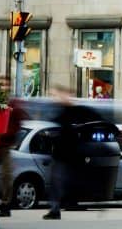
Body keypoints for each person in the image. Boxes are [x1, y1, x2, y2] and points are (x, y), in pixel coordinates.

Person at [44, 85, 104, 220]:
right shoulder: (60, 112)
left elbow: (95, 121)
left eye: (56, 95)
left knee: (63, 180)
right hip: (63, 154)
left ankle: (62, 205)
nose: (54, 98)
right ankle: (57, 207)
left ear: (66, 95)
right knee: (58, 181)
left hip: (71, 154)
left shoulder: (77, 111)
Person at [0, 77, 28, 217]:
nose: (3, 87)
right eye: (0, 85)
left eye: (5, 85)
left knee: (7, 175)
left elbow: (19, 122)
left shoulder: (13, 104)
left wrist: (7, 134)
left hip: (4, 145)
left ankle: (5, 204)